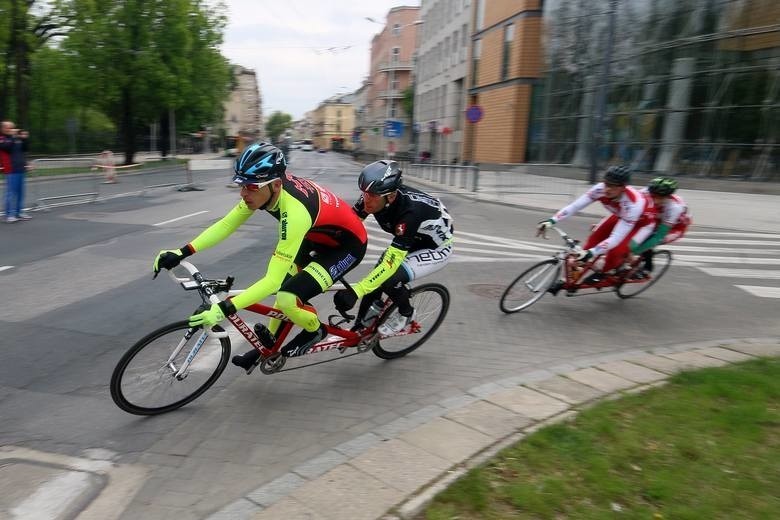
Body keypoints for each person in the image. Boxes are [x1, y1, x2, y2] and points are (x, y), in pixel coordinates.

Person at [152, 142, 368, 372]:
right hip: (316, 236)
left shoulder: (294, 212)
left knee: (286, 296)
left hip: (347, 246)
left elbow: (271, 280)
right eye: (241, 185)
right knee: (283, 290)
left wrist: (224, 309)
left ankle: (315, 330)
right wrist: (182, 252)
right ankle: (267, 349)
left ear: (275, 185)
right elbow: (226, 224)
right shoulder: (265, 189)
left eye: (251, 187)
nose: (244, 193)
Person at [332, 160, 454, 335]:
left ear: (390, 196)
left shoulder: (409, 213)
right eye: (364, 193)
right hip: (412, 240)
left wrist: (356, 292)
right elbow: (349, 227)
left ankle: (406, 313)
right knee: (374, 279)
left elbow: (390, 264)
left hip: (436, 248)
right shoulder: (373, 195)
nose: (366, 200)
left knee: (388, 279)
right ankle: (361, 327)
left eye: (372, 196)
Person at [537, 165, 657, 288]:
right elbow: (575, 206)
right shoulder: (600, 189)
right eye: (606, 183)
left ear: (623, 187)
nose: (607, 189)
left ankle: (607, 271)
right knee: (593, 239)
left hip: (641, 223)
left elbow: (616, 237)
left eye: (613, 186)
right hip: (621, 215)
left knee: (616, 251)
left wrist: (592, 253)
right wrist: (552, 220)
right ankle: (572, 278)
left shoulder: (633, 204)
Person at [631, 177, 691, 272]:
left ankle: (648, 267)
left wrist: (634, 251)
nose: (655, 200)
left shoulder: (674, 208)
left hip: (676, 227)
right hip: (658, 217)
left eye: (660, 198)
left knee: (649, 239)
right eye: (653, 196)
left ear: (668, 196)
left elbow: (658, 236)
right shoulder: (644, 192)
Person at [0, 121, 31, 223]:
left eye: (13, 127)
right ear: (4, 129)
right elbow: (6, 148)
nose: (12, 129)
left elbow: (24, 150)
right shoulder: (2, 138)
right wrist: (13, 136)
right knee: (11, 193)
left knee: (20, 193)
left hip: (20, 168)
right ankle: (9, 214)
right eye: (10, 128)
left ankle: (19, 212)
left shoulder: (16, 138)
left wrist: (25, 139)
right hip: (11, 169)